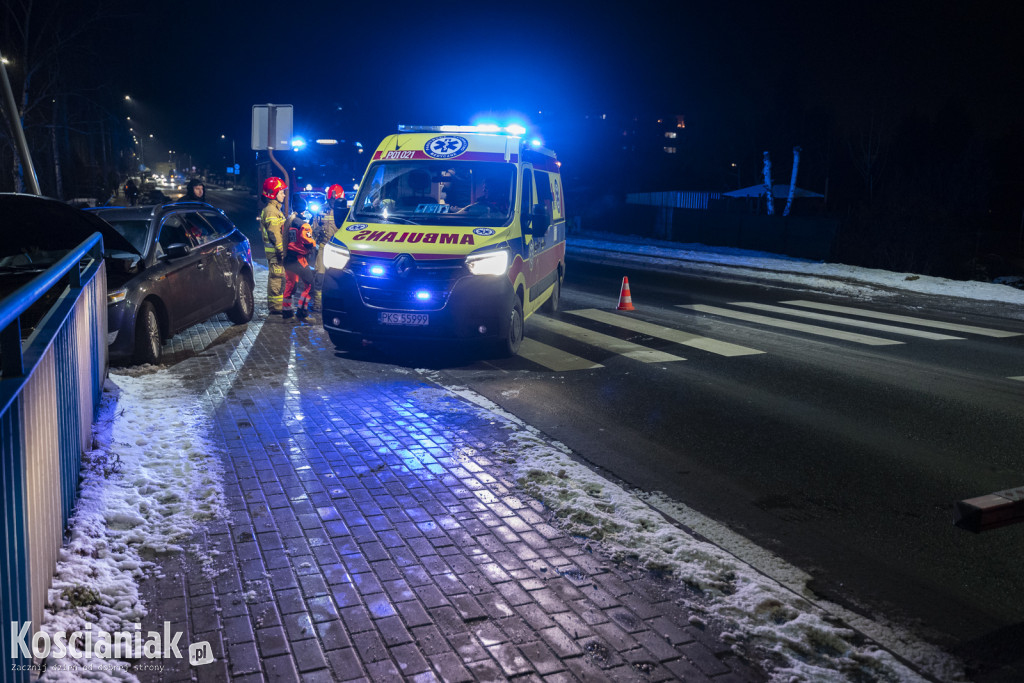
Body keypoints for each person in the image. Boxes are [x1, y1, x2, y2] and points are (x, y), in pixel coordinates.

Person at [259, 177, 291, 315]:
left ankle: (278, 306)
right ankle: (275, 307)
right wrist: (281, 250)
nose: (284, 195)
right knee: (276, 278)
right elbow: (275, 234)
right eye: (281, 192)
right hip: (276, 253)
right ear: (273, 194)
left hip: (276, 252)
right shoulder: (271, 211)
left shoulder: (274, 209)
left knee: (279, 277)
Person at [312, 184, 346, 312]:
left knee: (337, 279)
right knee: (319, 277)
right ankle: (317, 304)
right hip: (323, 248)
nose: (332, 203)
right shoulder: (321, 210)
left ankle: (337, 305)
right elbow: (313, 227)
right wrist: (316, 231)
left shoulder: (346, 212)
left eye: (335, 200)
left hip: (338, 250)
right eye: (330, 200)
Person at [282, 221, 316, 320]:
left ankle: (287, 314)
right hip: (299, 258)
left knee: (290, 285)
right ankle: (302, 313)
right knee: (310, 285)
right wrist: (313, 244)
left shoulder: (288, 222)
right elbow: (307, 239)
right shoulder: (303, 225)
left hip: (288, 258)